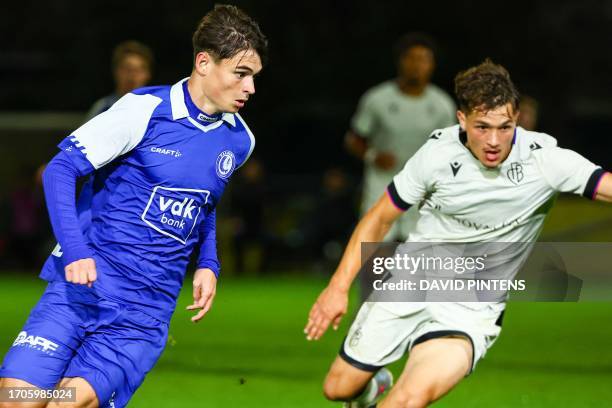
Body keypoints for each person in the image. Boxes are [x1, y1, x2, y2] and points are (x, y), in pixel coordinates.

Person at [0, 5, 267, 408]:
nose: (250, 88)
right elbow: (60, 170)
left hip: (143, 313)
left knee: (65, 403)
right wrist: (75, 250)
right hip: (81, 289)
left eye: (254, 77)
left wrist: (208, 263)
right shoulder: (141, 110)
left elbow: (206, 205)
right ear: (204, 63)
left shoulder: (238, 141)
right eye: (241, 74)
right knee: (18, 399)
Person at [305, 59, 611, 407]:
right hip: (408, 284)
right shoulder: (436, 155)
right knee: (338, 389)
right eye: (482, 127)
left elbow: (606, 186)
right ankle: (371, 388)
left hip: (469, 309)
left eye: (505, 126)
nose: (494, 140)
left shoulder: (545, 160)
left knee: (407, 400)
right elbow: (379, 217)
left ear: (517, 119)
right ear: (462, 119)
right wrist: (337, 288)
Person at [345, 33, 456, 242]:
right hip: (382, 182)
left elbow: (451, 148)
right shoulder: (377, 99)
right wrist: (372, 156)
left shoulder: (442, 105)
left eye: (423, 59)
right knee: (375, 244)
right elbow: (353, 139)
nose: (416, 65)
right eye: (411, 58)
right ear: (400, 61)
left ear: (432, 65)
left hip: (424, 186)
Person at [85, 40, 154, 120]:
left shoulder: (156, 109)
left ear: (148, 74)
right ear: (116, 71)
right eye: (127, 68)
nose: (132, 75)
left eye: (138, 70)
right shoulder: (103, 108)